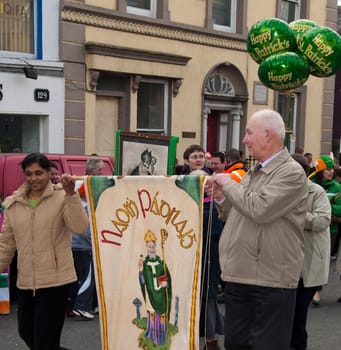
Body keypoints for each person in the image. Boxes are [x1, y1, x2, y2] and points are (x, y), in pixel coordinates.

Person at [206, 109, 308, 350]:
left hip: (270, 280)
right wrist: (223, 198)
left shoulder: (291, 172)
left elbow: (260, 209)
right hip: (241, 275)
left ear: (267, 135)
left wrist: (229, 184)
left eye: (249, 133)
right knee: (236, 345)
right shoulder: (256, 170)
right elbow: (241, 213)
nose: (245, 139)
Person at [0, 152, 88, 350]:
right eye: (29, 174)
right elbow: (6, 244)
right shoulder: (14, 205)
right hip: (25, 283)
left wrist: (71, 195)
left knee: (44, 341)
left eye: (39, 173)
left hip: (56, 281)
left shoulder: (61, 197)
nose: (34, 178)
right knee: (26, 332)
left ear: (49, 173)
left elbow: (80, 226)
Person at [290, 153, 331, 350]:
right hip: (283, 263)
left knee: (297, 317)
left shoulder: (317, 192)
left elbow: (322, 221)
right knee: (284, 318)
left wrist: (294, 214)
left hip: (307, 264)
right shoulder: (281, 190)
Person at [67, 157, 104, 319]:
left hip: (74, 243)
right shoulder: (83, 187)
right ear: (91, 170)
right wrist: (93, 243)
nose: (102, 173)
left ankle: (83, 305)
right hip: (82, 244)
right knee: (87, 277)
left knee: (78, 278)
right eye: (100, 170)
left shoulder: (79, 185)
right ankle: (81, 306)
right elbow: (85, 224)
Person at [308, 155, 341, 305]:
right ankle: (314, 291)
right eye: (327, 169)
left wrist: (324, 204)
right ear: (320, 170)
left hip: (331, 229)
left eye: (332, 169)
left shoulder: (337, 187)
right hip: (311, 228)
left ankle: (317, 291)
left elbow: (340, 209)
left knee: (323, 259)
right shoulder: (310, 183)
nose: (330, 172)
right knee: (312, 259)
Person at [138, 229, 172, 346]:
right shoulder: (145, 264)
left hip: (160, 294)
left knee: (161, 315)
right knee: (152, 315)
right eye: (149, 247)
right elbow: (143, 282)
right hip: (150, 294)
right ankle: (153, 337)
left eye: (153, 247)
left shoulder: (161, 263)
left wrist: (166, 284)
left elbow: (166, 278)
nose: (151, 249)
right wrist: (141, 271)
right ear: (146, 247)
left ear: (156, 247)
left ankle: (161, 337)